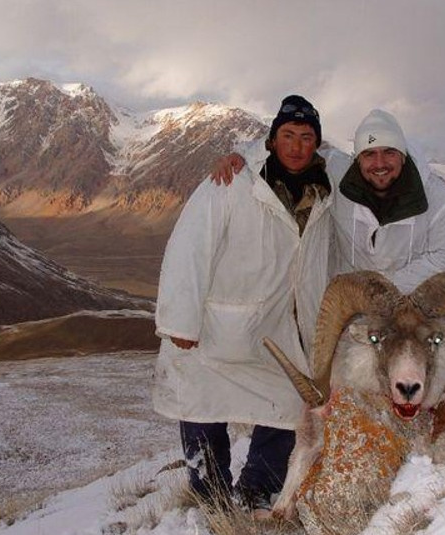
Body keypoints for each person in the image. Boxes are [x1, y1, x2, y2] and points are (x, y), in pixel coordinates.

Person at [212, 109, 445, 369]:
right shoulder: (337, 174)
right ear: (357, 159)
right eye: (368, 154)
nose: (379, 163)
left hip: (423, 309)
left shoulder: (442, 202)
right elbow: (293, 154)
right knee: (352, 378)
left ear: (402, 154)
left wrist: (384, 291)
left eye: (389, 152)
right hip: (360, 315)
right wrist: (245, 156)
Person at [152, 95, 333, 517]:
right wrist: (180, 319)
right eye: (287, 135)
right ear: (270, 140)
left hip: (277, 329)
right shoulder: (232, 182)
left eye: (307, 137)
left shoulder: (324, 191)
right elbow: (190, 247)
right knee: (202, 405)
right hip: (216, 325)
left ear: (317, 145)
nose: (296, 146)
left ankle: (256, 488)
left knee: (289, 407)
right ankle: (211, 496)